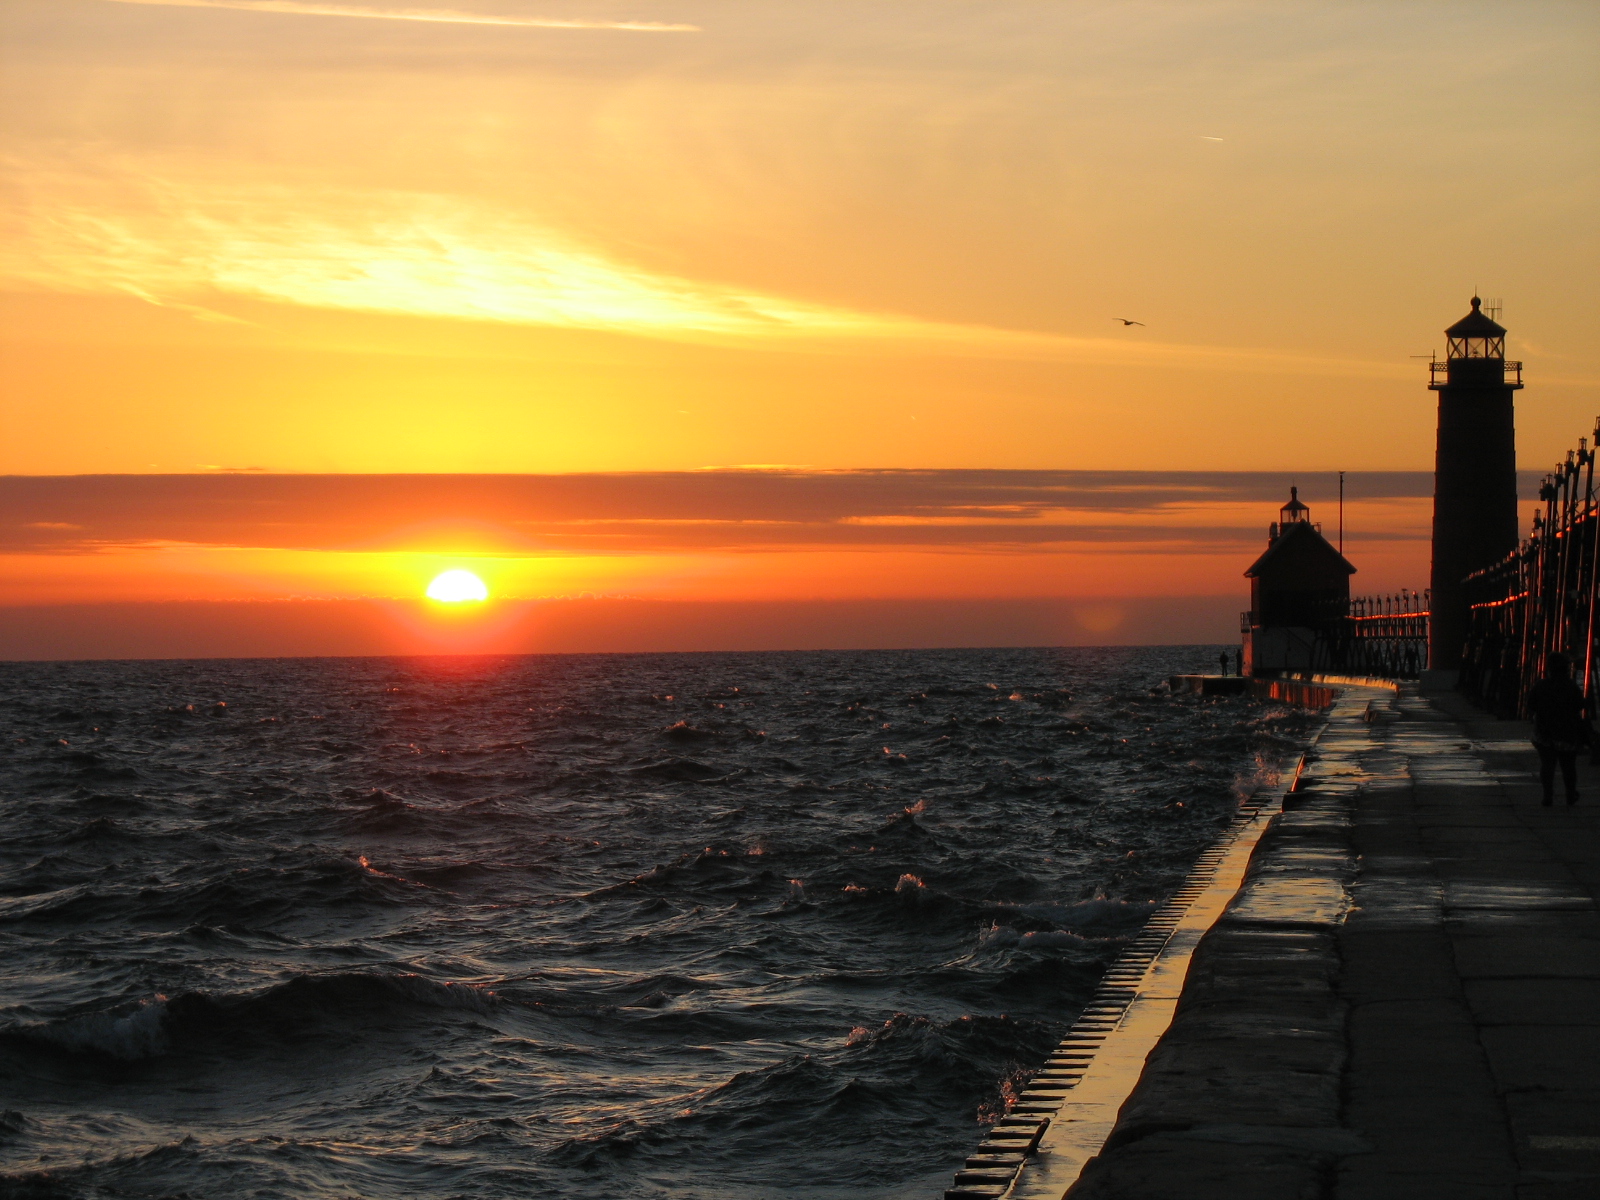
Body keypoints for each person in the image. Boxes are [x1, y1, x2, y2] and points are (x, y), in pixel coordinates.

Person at [1528, 652, 1590, 807]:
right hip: (1566, 732)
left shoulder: (1541, 685)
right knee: (1568, 766)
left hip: (1545, 732)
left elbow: (1531, 705)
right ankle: (1570, 794)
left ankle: (1547, 795)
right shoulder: (1571, 686)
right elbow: (1580, 705)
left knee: (1547, 765)